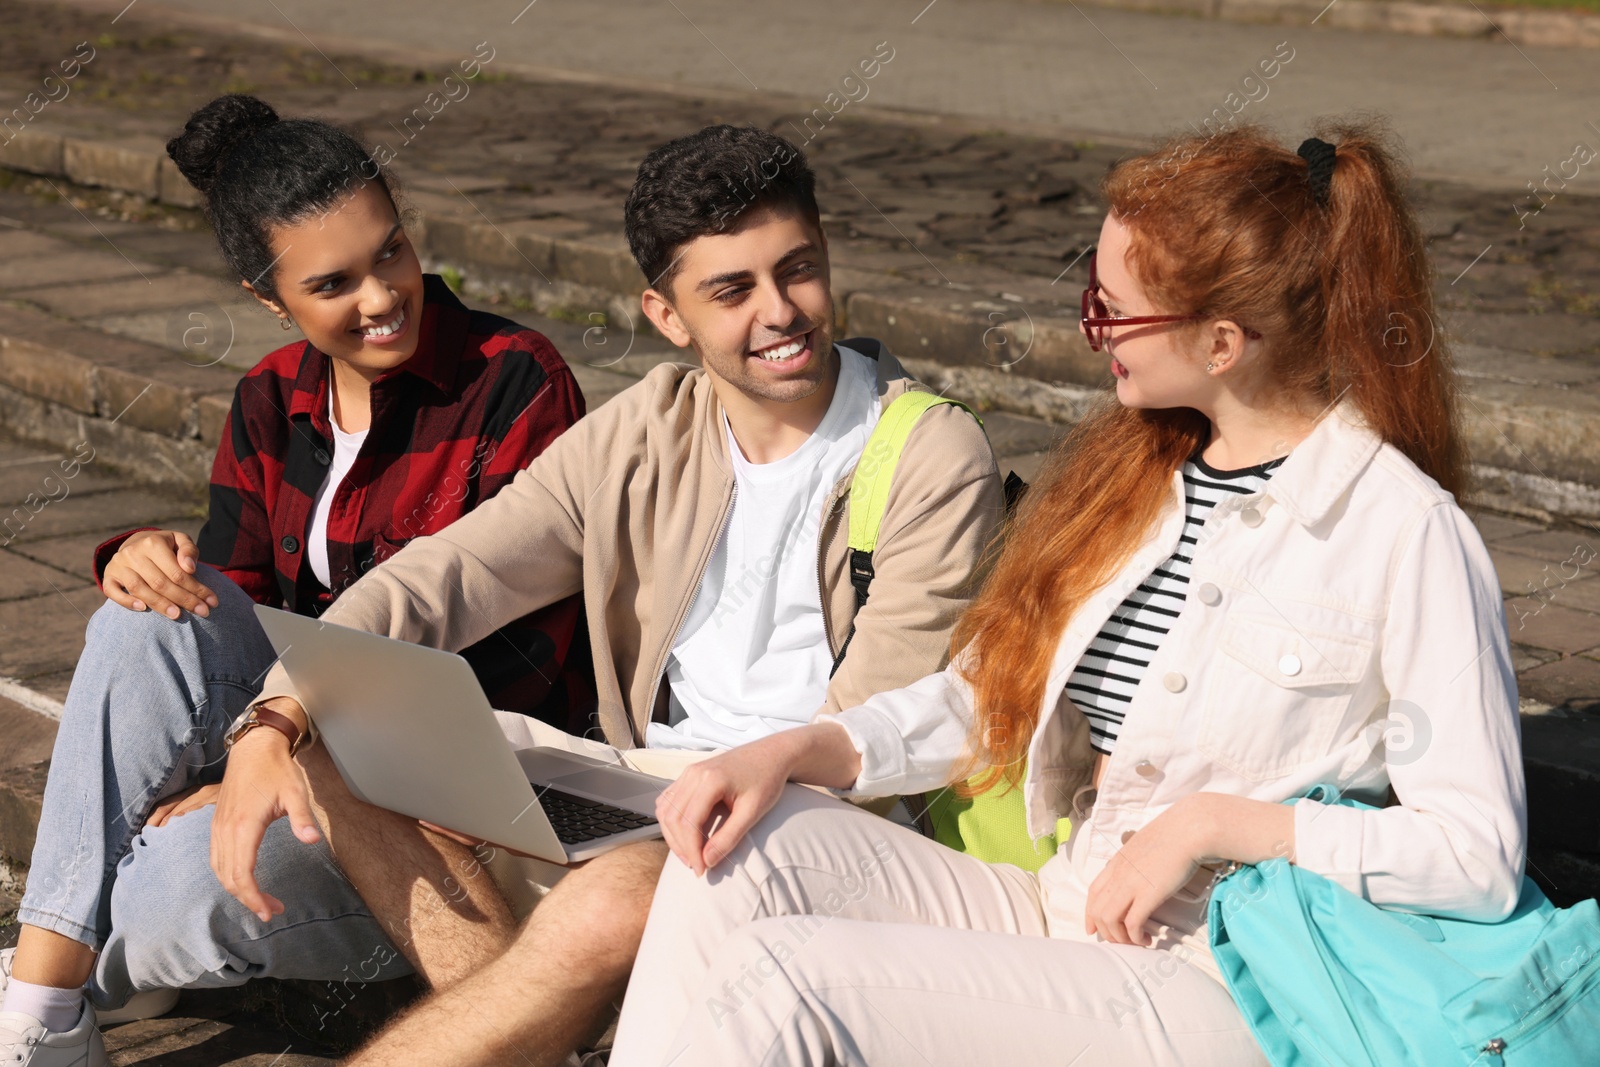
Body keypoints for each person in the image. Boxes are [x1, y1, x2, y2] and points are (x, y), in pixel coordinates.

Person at [608, 121, 1528, 1066]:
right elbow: (987, 697)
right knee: (730, 854)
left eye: (1113, 310)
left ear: (1219, 341)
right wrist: (806, 747)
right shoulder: (1133, 481)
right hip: (1061, 909)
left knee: (793, 978)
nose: (1091, 329)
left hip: (1219, 981)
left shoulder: (1405, 533)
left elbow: (1477, 856)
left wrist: (1219, 826)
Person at [210, 123, 1006, 1067]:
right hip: (642, 779)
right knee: (341, 748)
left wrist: (691, 804)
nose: (780, 311)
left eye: (797, 270)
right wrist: (274, 716)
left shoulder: (925, 452)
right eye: (731, 290)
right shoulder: (650, 428)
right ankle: (531, 1035)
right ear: (667, 316)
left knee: (609, 900)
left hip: (808, 808)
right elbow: (446, 575)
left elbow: (869, 733)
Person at [0, 93, 591, 1066]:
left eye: (390, 252)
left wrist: (275, 748)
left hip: (462, 803)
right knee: (145, 611)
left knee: (172, 892)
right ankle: (41, 1015)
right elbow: (227, 603)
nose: (382, 295)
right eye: (335, 282)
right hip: (295, 739)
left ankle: (41, 980)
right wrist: (146, 558)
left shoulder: (511, 378)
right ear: (270, 298)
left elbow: (525, 656)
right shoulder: (272, 396)